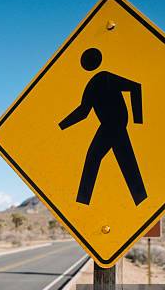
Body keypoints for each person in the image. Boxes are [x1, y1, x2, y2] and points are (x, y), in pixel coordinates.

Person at [59, 47, 147, 206]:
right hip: (111, 125)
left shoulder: (104, 78)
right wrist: (61, 126)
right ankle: (140, 200)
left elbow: (135, 87)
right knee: (125, 162)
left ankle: (83, 202)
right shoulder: (94, 83)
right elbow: (83, 112)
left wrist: (138, 120)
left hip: (114, 125)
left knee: (96, 158)